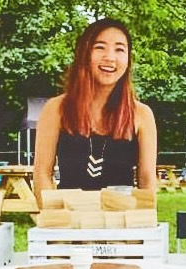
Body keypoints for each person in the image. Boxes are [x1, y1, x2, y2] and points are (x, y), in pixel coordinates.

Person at [34, 18, 157, 204]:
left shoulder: (142, 114)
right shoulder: (55, 108)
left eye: (119, 49)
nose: (110, 57)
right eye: (100, 47)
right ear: (85, 54)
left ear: (128, 59)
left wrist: (142, 223)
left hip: (122, 224)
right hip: (70, 224)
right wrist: (56, 219)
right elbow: (42, 173)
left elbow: (147, 180)